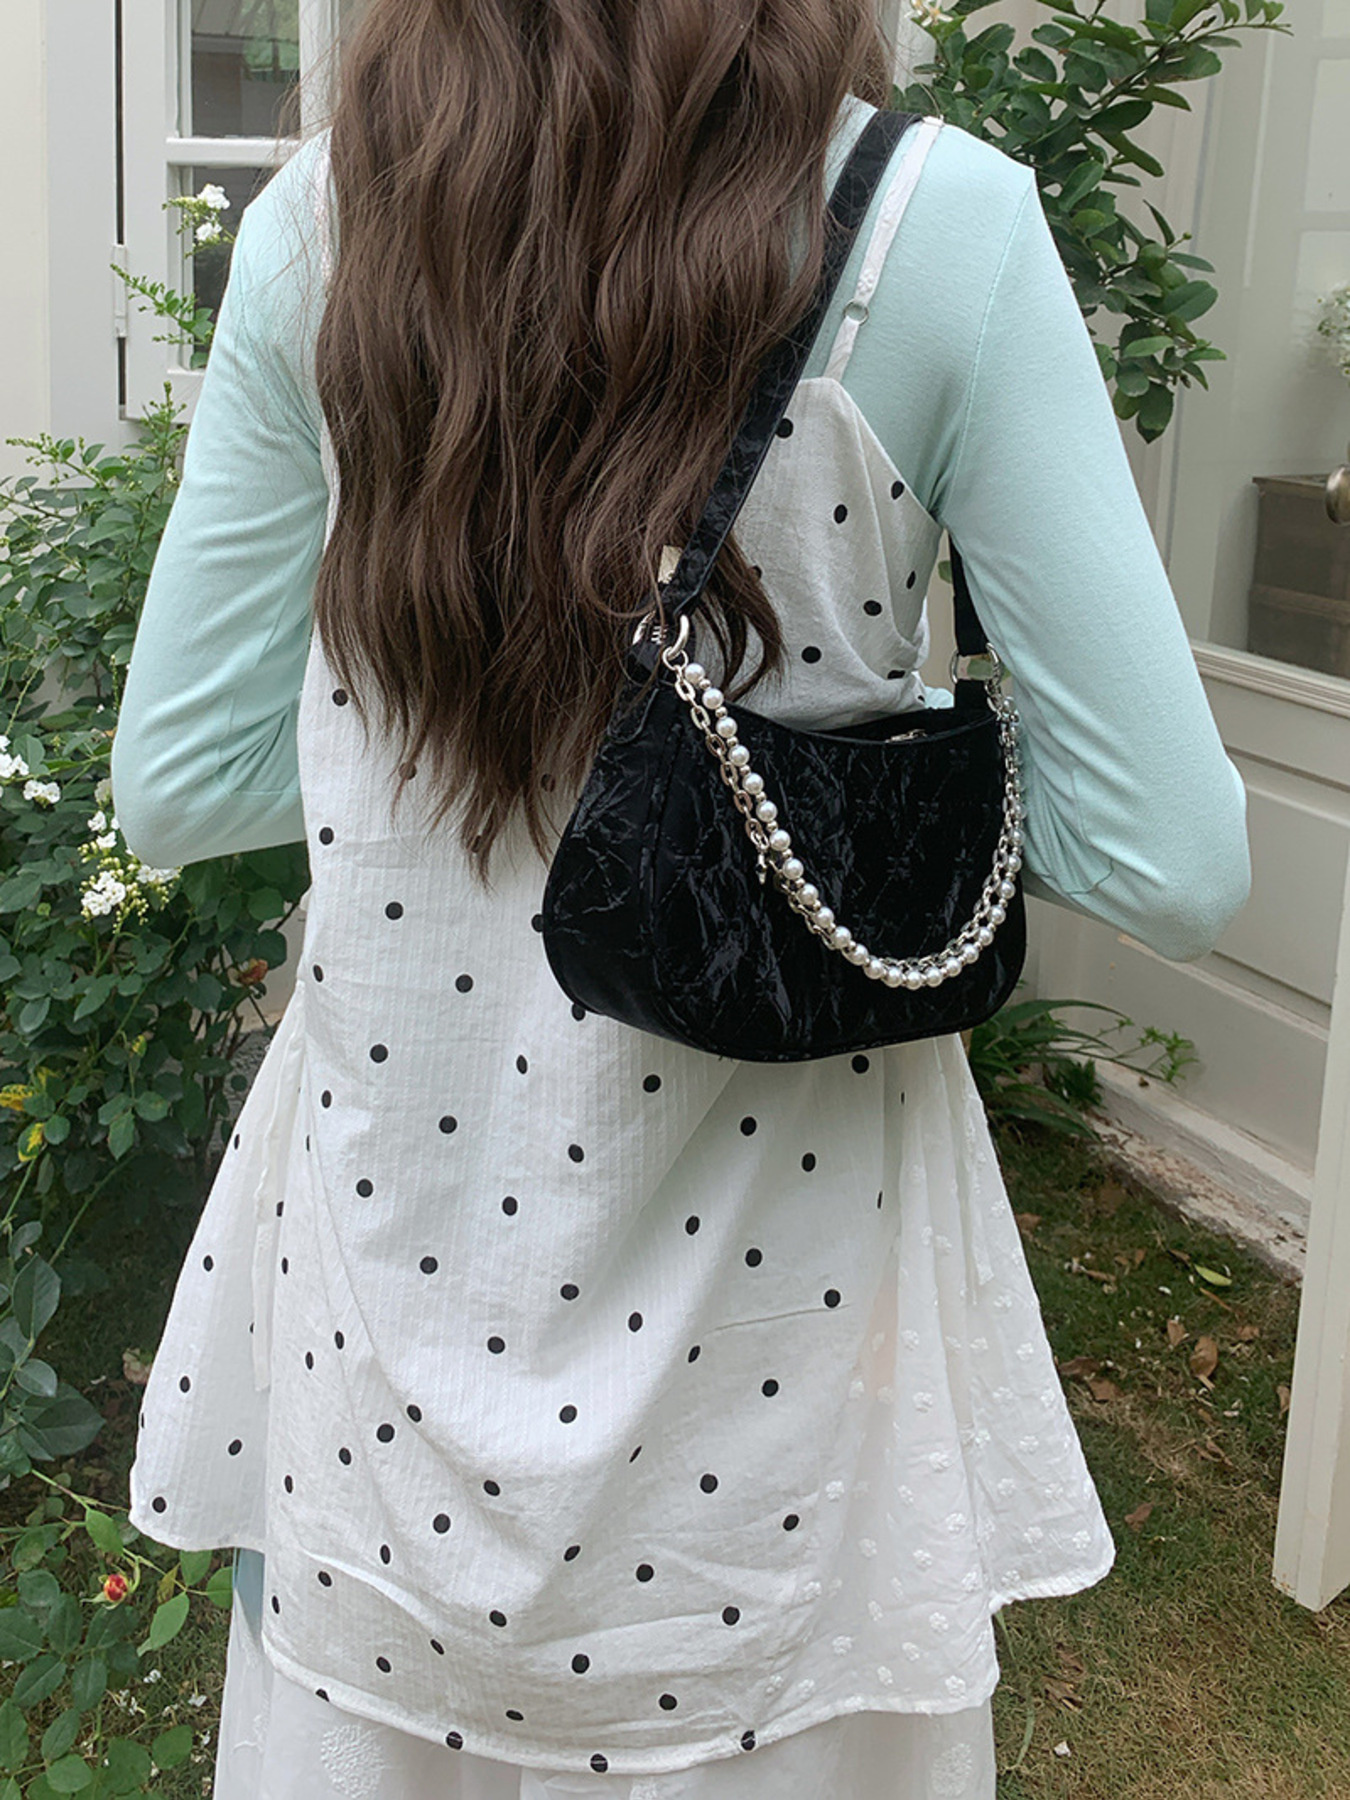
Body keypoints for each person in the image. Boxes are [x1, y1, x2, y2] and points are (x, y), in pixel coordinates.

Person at [111, 2, 1252, 1795]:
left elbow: (180, 783)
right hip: (782, 1391)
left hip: (380, 1323)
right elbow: (1167, 862)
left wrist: (461, 778)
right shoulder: (932, 223)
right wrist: (808, 783)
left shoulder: (322, 229)